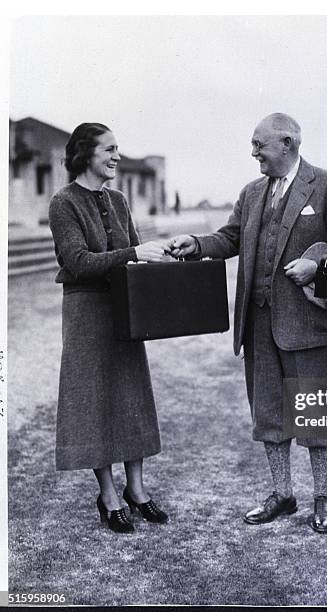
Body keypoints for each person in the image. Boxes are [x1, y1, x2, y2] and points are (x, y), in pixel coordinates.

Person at [171, 113, 327, 532]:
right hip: (259, 325)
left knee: (317, 414)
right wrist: (198, 244)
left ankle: (323, 497)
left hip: (310, 326)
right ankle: (283, 493)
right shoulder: (252, 192)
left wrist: (317, 263)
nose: (253, 152)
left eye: (260, 145)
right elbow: (231, 238)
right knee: (269, 415)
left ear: (288, 143)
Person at [48, 122, 169, 533]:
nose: (117, 155)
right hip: (87, 313)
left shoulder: (117, 199)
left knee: (131, 395)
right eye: (110, 149)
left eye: (118, 148)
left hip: (125, 308)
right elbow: (78, 263)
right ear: (86, 153)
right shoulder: (63, 203)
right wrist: (134, 252)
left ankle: (137, 490)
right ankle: (108, 494)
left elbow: (133, 257)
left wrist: (160, 262)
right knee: (96, 400)